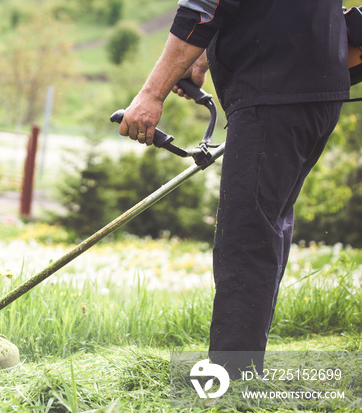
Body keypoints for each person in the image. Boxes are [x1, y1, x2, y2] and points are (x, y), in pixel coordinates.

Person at [120, 0, 350, 379]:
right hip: (314, 88)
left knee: (245, 234)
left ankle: (232, 377)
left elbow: (202, 7)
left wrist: (151, 94)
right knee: (266, 225)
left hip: (274, 88)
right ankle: (241, 366)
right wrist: (202, 59)